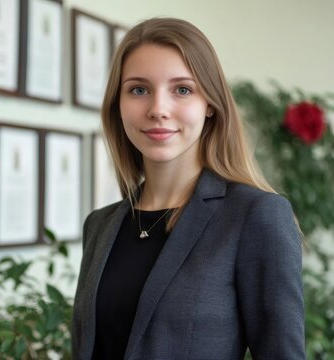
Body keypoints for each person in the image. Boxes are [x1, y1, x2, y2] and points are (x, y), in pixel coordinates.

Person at [72, 17, 304, 360]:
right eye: (138, 89)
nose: (158, 110)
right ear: (117, 105)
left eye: (182, 89)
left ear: (210, 104)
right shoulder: (100, 225)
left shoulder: (256, 215)